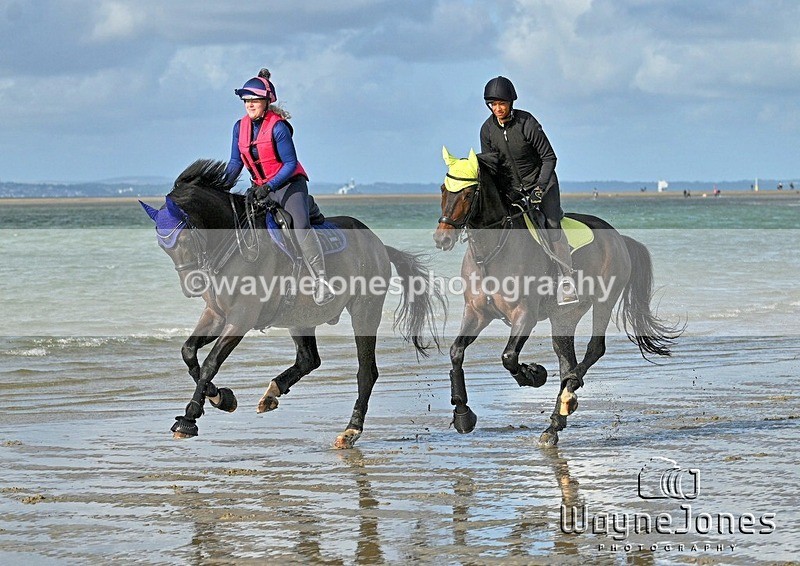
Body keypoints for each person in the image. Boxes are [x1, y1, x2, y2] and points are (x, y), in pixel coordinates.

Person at [224, 68, 334, 305]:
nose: (249, 104)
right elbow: (235, 162)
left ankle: (321, 281)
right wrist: (222, 185)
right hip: (260, 189)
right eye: (246, 100)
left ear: (266, 102)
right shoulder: (239, 127)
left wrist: (270, 185)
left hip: (288, 186)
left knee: (300, 226)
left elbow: (290, 164)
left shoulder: (278, 127)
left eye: (254, 100)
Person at [479, 76, 578, 305]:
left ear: (511, 102)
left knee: (551, 224)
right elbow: (492, 167)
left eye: (502, 103)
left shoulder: (527, 123)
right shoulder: (487, 130)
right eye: (493, 104)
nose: (498, 109)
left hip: (542, 184)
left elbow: (549, 158)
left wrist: (539, 190)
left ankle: (566, 281)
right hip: (513, 189)